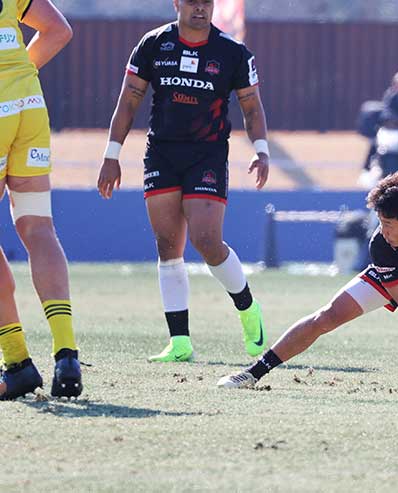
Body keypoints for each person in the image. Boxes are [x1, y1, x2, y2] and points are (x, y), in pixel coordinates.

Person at [97, 0, 270, 362]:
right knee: (167, 244)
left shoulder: (232, 52)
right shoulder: (153, 44)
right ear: (177, 2)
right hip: (161, 153)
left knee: (206, 239)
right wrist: (111, 154)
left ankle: (247, 308)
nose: (200, 8)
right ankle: (180, 343)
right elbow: (128, 100)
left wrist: (261, 149)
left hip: (206, 155)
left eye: (206, 2)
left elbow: (251, 107)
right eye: (192, 1)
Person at [217, 172, 398, 389]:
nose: (381, 230)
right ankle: (254, 372)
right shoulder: (383, 246)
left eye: (388, 223)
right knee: (326, 317)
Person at [0, 0, 81, 398]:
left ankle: (16, 363)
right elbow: (57, 29)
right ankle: (67, 356)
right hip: (29, 105)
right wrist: (17, 76)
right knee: (38, 227)